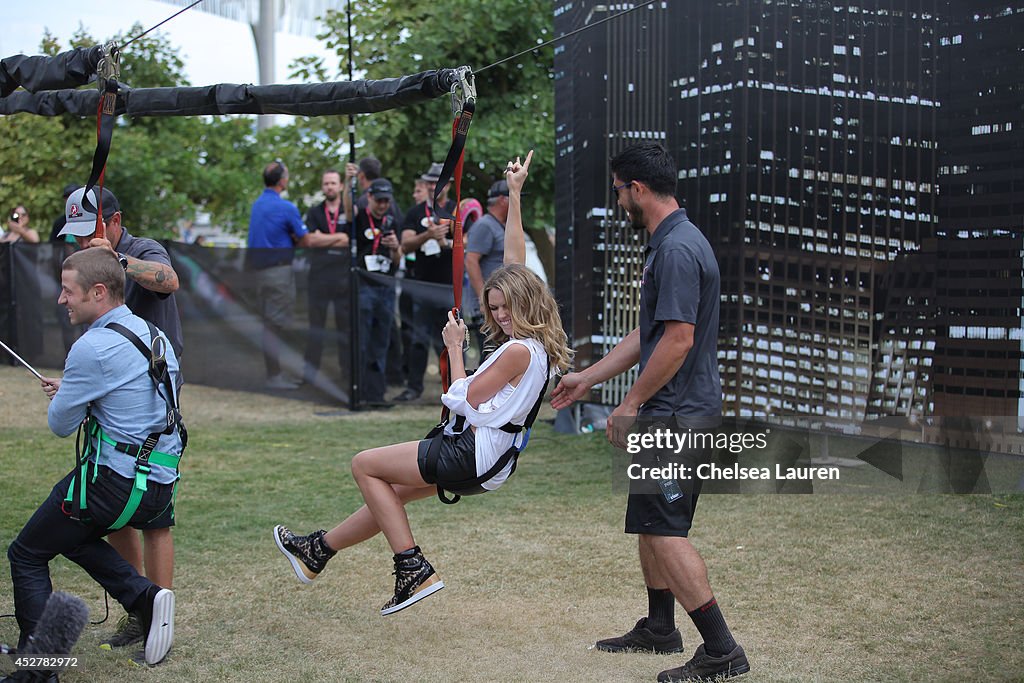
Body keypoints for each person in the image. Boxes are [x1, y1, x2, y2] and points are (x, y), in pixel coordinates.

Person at [272, 150, 574, 616]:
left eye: (505, 308)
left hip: (475, 451)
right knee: (388, 495)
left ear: (527, 302)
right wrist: (514, 195)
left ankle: (412, 567)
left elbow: (464, 400)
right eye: (493, 308)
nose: (498, 315)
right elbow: (514, 261)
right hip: (494, 459)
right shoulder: (540, 345)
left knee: (365, 466)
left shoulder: (518, 350)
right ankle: (318, 551)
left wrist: (455, 347)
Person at [550, 143, 749, 682]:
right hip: (672, 409)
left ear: (636, 188)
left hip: (678, 415)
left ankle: (722, 651)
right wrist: (589, 378)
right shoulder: (670, 244)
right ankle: (661, 628)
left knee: (665, 531)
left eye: (618, 192)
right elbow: (652, 333)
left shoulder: (678, 249)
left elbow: (678, 342)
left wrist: (631, 404)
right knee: (649, 522)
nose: (618, 203)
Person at [7, 248, 178, 667]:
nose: (61, 300)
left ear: (98, 292)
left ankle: (40, 666)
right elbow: (139, 400)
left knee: (26, 553)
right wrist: (78, 391)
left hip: (112, 484)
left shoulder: (91, 348)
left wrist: (70, 394)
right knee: (70, 536)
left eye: (68, 291)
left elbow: (61, 425)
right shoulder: (155, 335)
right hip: (159, 482)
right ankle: (147, 597)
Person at [57, 185, 183, 650]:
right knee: (116, 499)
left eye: (86, 233)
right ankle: (139, 602)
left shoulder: (140, 248)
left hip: (154, 390)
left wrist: (117, 261)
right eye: (73, 236)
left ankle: (160, 613)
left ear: (114, 222)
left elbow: (167, 280)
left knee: (153, 507)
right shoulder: (84, 262)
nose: (79, 244)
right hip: (114, 387)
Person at [247, 161, 348, 390]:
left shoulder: (257, 205)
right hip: (279, 272)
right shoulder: (287, 208)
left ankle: (273, 373)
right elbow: (306, 240)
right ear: (283, 181)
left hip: (259, 273)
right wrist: (341, 239)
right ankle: (275, 376)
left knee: (268, 323)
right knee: (275, 324)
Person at [393, 162, 457, 402]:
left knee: (451, 339)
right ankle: (414, 387)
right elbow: (405, 244)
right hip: (422, 284)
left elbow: (468, 243)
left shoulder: (455, 211)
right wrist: (428, 235)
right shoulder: (416, 212)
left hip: (448, 286)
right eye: (429, 182)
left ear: (448, 185)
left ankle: (455, 388)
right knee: (419, 337)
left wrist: (446, 241)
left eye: (437, 181)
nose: (433, 186)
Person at [352, 178, 402, 405]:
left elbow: (398, 259)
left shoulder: (393, 220)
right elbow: (346, 208)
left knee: (381, 342)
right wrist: (347, 180)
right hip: (364, 286)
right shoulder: (359, 217)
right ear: (369, 197)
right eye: (379, 200)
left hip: (385, 287)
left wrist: (394, 248)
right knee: (362, 341)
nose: (383, 205)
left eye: (386, 201)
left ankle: (376, 393)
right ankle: (358, 391)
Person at [302, 169, 351, 385]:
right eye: (326, 183)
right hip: (319, 277)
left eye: (333, 183)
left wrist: (325, 237)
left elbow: (350, 240)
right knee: (316, 328)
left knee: (344, 328)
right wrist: (338, 237)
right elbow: (310, 241)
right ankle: (310, 375)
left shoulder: (348, 211)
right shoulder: (314, 212)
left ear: (340, 186)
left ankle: (347, 375)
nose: (329, 187)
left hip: (343, 278)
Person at [464, 179, 511, 356]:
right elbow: (471, 261)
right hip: (488, 309)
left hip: (499, 307)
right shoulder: (485, 225)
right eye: (514, 197)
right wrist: (483, 302)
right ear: (502, 199)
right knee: (489, 357)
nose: (518, 202)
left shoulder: (500, 225)